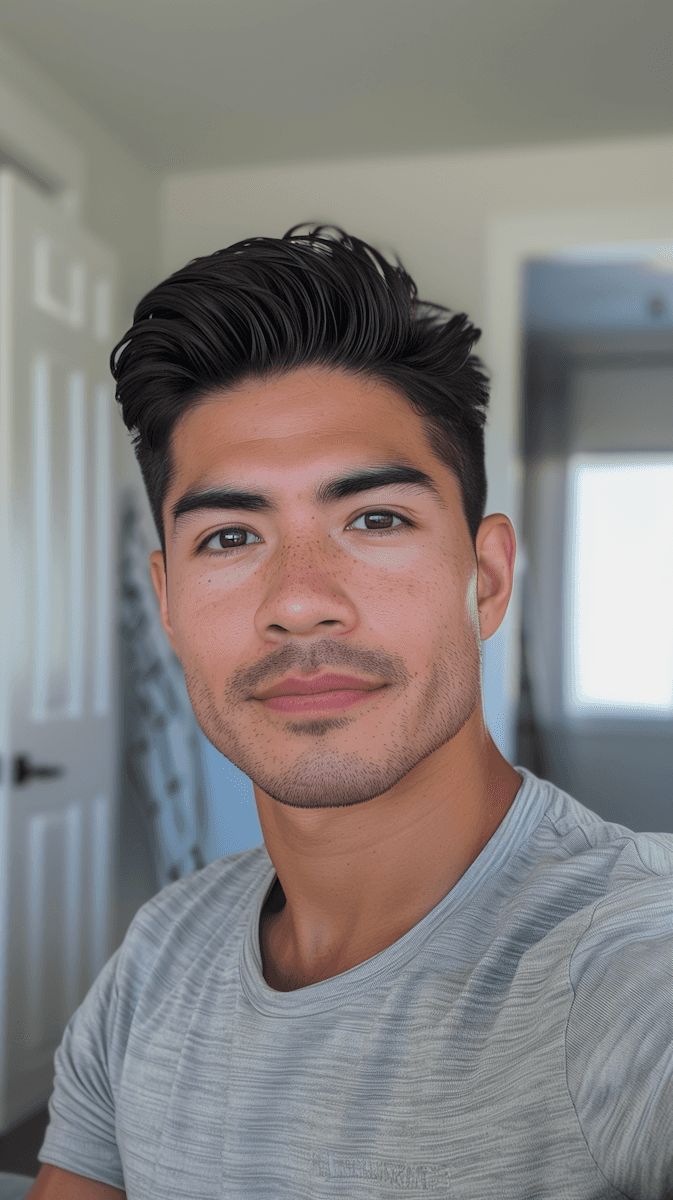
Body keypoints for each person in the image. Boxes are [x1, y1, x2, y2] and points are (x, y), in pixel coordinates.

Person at [30, 226, 672, 1199]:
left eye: (374, 519)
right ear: (167, 602)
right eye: (231, 535)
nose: (299, 598)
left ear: (486, 578)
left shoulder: (624, 955)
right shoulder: (157, 952)